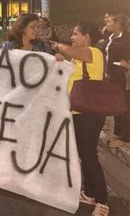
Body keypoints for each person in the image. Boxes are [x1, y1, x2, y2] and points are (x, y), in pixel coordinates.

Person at [50, 23, 109, 216]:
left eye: (76, 34)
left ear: (87, 36)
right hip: (78, 113)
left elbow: (71, 51)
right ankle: (90, 193)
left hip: (90, 115)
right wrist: (60, 60)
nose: (72, 37)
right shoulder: (79, 60)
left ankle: (102, 202)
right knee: (85, 154)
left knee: (89, 156)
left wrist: (58, 46)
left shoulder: (95, 53)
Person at [103, 14, 130, 148]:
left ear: (118, 23)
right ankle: (118, 132)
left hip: (123, 76)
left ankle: (126, 138)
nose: (106, 22)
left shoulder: (126, 38)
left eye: (109, 21)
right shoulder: (110, 37)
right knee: (117, 105)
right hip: (112, 76)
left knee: (125, 106)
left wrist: (126, 62)